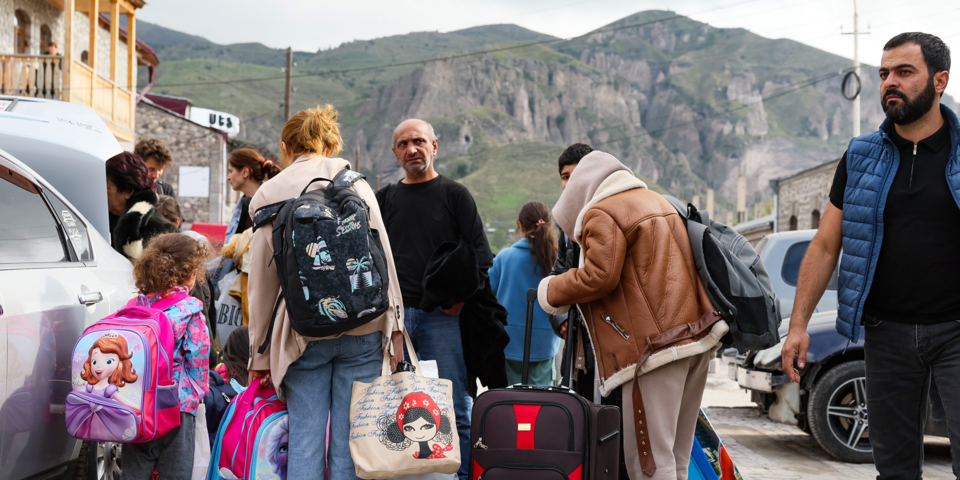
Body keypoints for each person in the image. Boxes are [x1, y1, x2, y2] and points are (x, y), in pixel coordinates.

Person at [781, 32, 960, 479]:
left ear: (940, 81)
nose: (889, 83)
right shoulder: (860, 156)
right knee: (894, 470)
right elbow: (825, 245)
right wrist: (798, 325)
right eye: (883, 74)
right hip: (886, 335)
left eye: (904, 72)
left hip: (957, 331)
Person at [538, 151, 727, 480]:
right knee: (676, 460)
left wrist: (550, 290)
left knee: (649, 466)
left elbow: (600, 275)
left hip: (654, 354)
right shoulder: (658, 201)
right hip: (693, 341)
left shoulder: (603, 211)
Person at [246, 105, 405, 480]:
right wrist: (396, 326)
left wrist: (259, 356)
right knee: (352, 440)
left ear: (287, 146)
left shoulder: (268, 194)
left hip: (302, 333)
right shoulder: (355, 182)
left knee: (305, 438)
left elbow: (261, 286)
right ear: (329, 142)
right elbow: (384, 258)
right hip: (365, 325)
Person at [376, 119, 494, 480]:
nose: (412, 149)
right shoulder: (385, 199)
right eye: (404, 144)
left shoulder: (455, 195)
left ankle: (462, 476)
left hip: (442, 320)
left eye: (419, 141)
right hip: (394, 322)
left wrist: (457, 301)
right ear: (396, 153)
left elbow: (482, 257)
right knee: (394, 408)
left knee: (453, 406)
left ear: (435, 146)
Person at [120, 233, 211, 479]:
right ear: (191, 272)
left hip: (136, 405)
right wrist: (194, 396)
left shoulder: (135, 307)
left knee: (133, 472)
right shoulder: (190, 311)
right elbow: (199, 361)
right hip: (176, 407)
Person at [489, 201, 560, 385]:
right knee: (542, 405)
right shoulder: (556, 259)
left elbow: (487, 297)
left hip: (508, 343)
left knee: (511, 404)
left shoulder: (504, 258)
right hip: (545, 344)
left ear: (520, 225)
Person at [106, 152, 177, 260]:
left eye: (108, 187)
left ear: (128, 191)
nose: (103, 192)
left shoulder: (162, 229)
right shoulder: (107, 220)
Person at [225, 148, 281, 238]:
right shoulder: (270, 202)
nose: (228, 177)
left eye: (231, 171)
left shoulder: (252, 206)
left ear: (245, 172)